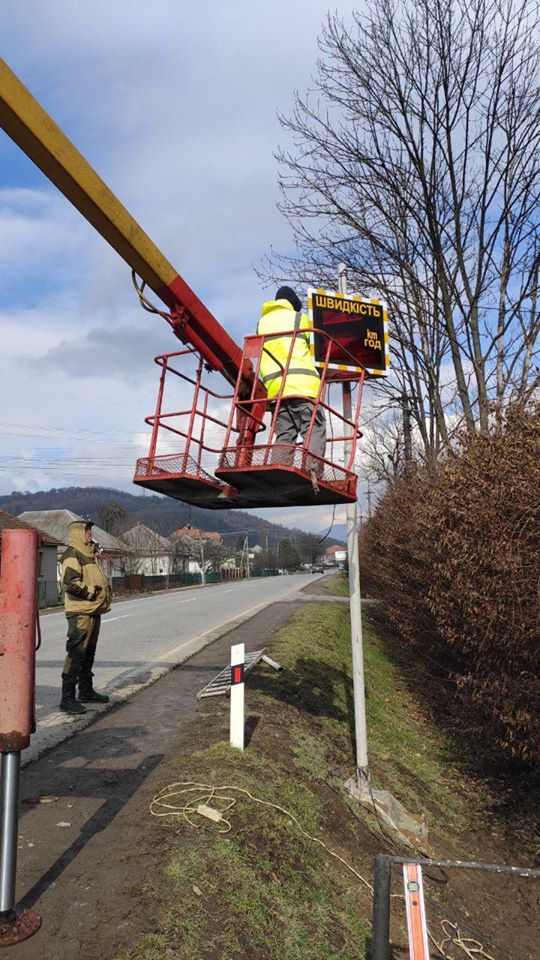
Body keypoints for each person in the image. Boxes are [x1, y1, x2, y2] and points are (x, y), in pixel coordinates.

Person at [257, 285, 326, 469]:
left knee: (284, 435)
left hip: (276, 391)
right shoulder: (299, 318)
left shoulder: (261, 323)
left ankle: (279, 472)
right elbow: (320, 348)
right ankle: (313, 472)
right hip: (302, 386)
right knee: (314, 428)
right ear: (293, 303)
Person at [59, 519, 112, 714]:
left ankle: (86, 691)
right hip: (80, 612)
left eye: (90, 530)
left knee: (88, 653)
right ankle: (67, 699)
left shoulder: (89, 553)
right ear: (78, 533)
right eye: (87, 531)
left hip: (92, 610)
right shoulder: (72, 554)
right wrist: (93, 592)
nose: (90, 534)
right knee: (76, 653)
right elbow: (70, 584)